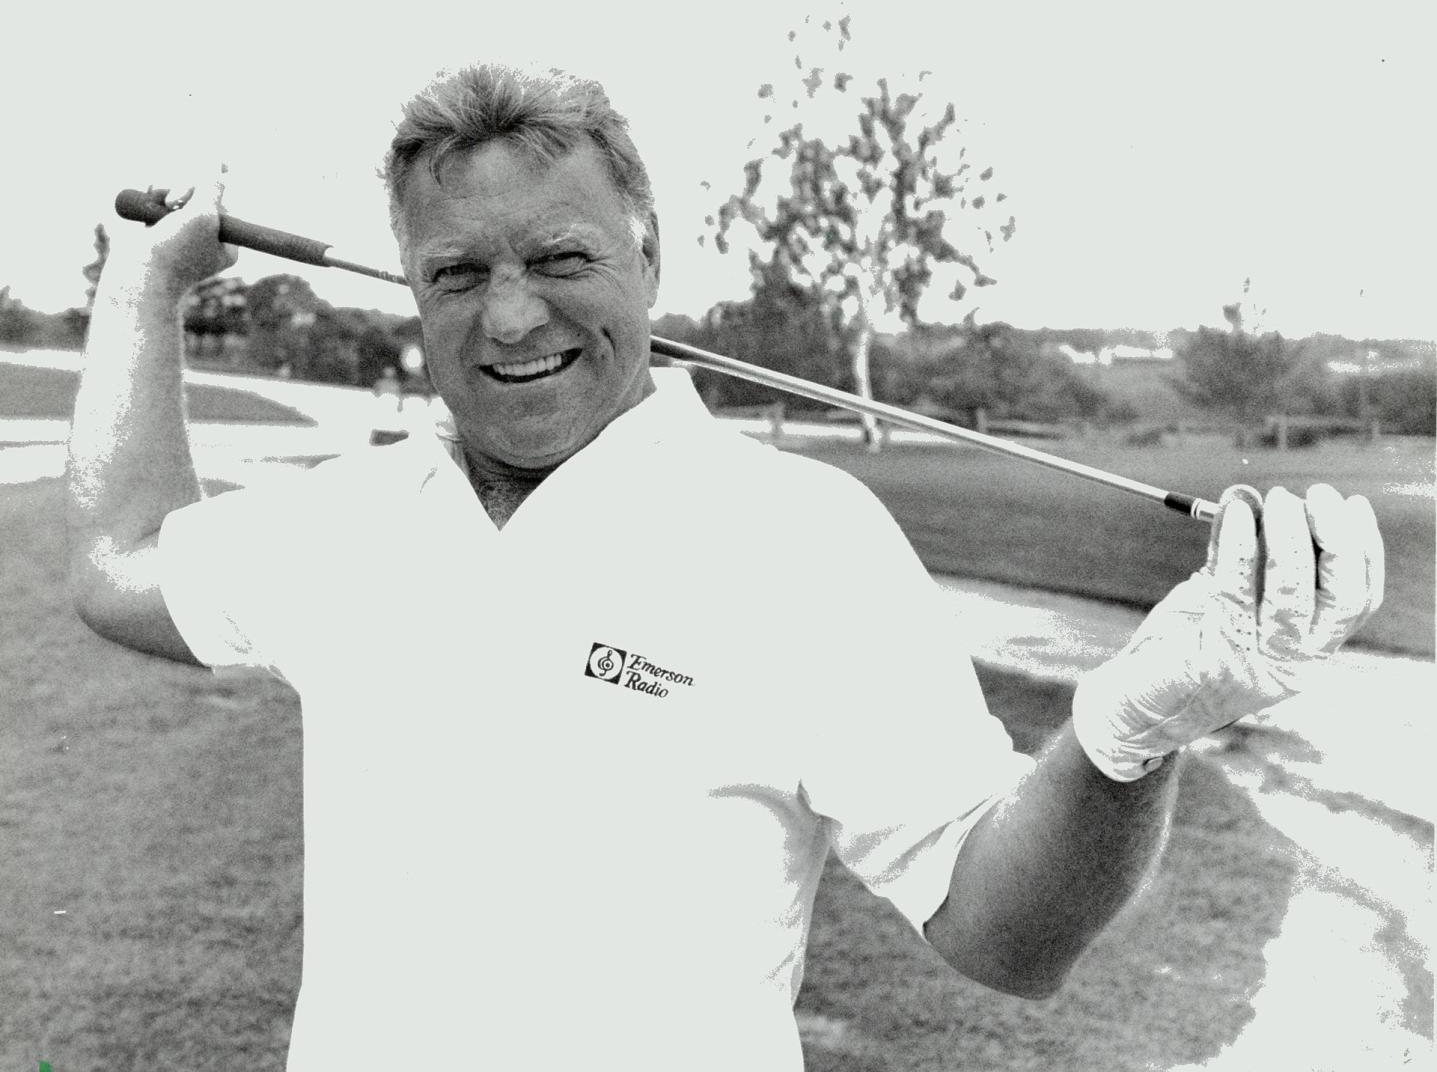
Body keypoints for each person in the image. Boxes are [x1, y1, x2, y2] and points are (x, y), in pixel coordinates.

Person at [67, 64, 1384, 1071]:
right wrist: (144, 287)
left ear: (648, 253)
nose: (511, 315)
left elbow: (1006, 936)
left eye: (561, 257)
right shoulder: (347, 526)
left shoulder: (802, 543)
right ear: (407, 288)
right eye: (456, 271)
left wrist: (1125, 733)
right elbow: (121, 562)